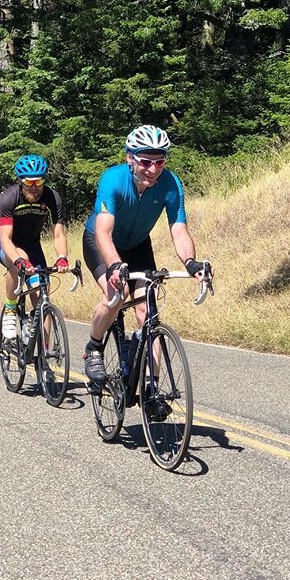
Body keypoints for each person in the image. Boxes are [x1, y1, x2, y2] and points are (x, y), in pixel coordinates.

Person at [82, 124, 212, 387]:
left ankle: (151, 385)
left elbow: (179, 230)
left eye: (160, 162)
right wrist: (115, 266)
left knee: (147, 311)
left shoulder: (170, 183)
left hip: (138, 245)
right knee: (117, 296)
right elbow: (104, 232)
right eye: (145, 161)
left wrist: (190, 262)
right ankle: (94, 347)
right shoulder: (112, 179)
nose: (153, 169)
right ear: (130, 158)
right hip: (100, 242)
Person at [0, 154, 69, 340]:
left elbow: (58, 234)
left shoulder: (52, 197)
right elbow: (5, 238)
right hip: (6, 244)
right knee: (17, 260)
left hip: (33, 245)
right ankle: (11, 309)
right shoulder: (9, 197)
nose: (34, 187)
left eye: (39, 181)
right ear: (20, 181)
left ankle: (45, 356)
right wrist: (18, 260)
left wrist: (62, 257)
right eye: (29, 182)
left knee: (43, 295)